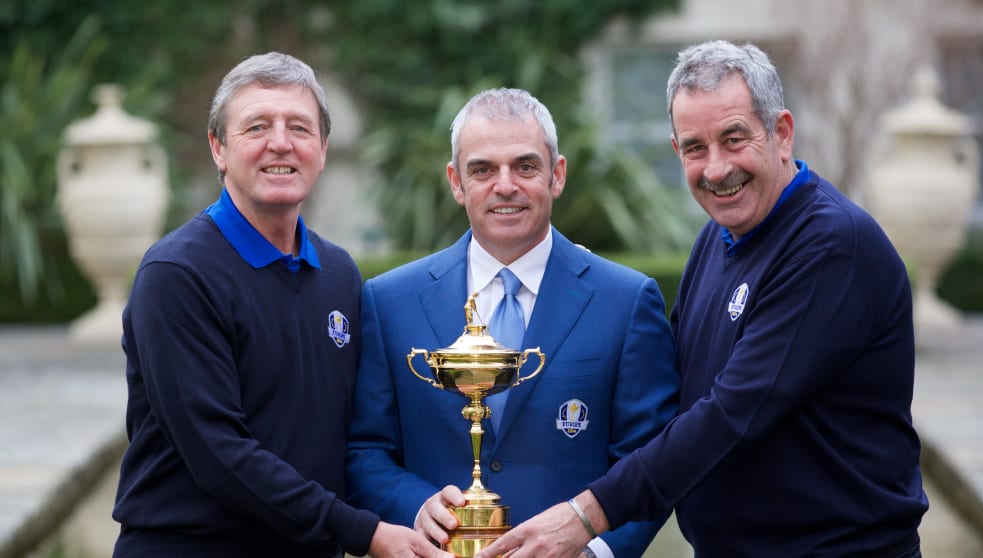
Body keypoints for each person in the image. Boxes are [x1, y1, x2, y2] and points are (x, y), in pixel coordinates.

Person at [478, 40, 929, 558]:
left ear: (781, 134)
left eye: (734, 139)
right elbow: (673, 390)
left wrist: (584, 515)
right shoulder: (718, 239)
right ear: (677, 151)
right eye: (696, 147)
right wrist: (584, 297)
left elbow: (729, 415)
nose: (716, 169)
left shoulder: (830, 247)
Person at [111, 52, 450, 558]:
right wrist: (364, 532)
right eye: (256, 127)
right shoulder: (177, 276)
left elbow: (361, 433)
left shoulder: (338, 274)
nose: (280, 143)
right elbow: (220, 455)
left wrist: (426, 503)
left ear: (323, 149)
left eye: (299, 127)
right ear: (218, 149)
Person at [345, 87, 680, 558]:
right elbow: (364, 450)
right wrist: (414, 505)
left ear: (556, 175)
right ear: (456, 181)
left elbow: (652, 458)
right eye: (482, 169)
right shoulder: (389, 301)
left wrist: (593, 550)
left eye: (525, 166)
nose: (505, 185)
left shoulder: (626, 301)